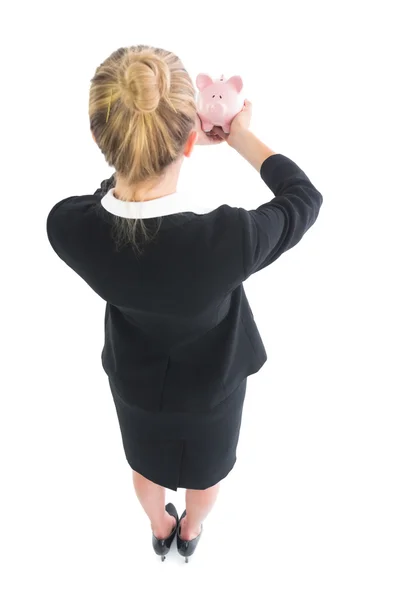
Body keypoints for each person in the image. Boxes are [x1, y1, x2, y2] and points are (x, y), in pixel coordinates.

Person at [46, 44, 323, 563]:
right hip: (214, 393)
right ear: (190, 140)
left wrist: (122, 173)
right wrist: (239, 134)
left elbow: (96, 203)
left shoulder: (68, 229)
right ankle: (191, 530)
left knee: (144, 467)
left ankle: (158, 524)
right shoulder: (228, 241)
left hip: (136, 388)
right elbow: (303, 198)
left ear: (99, 139)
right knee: (208, 474)